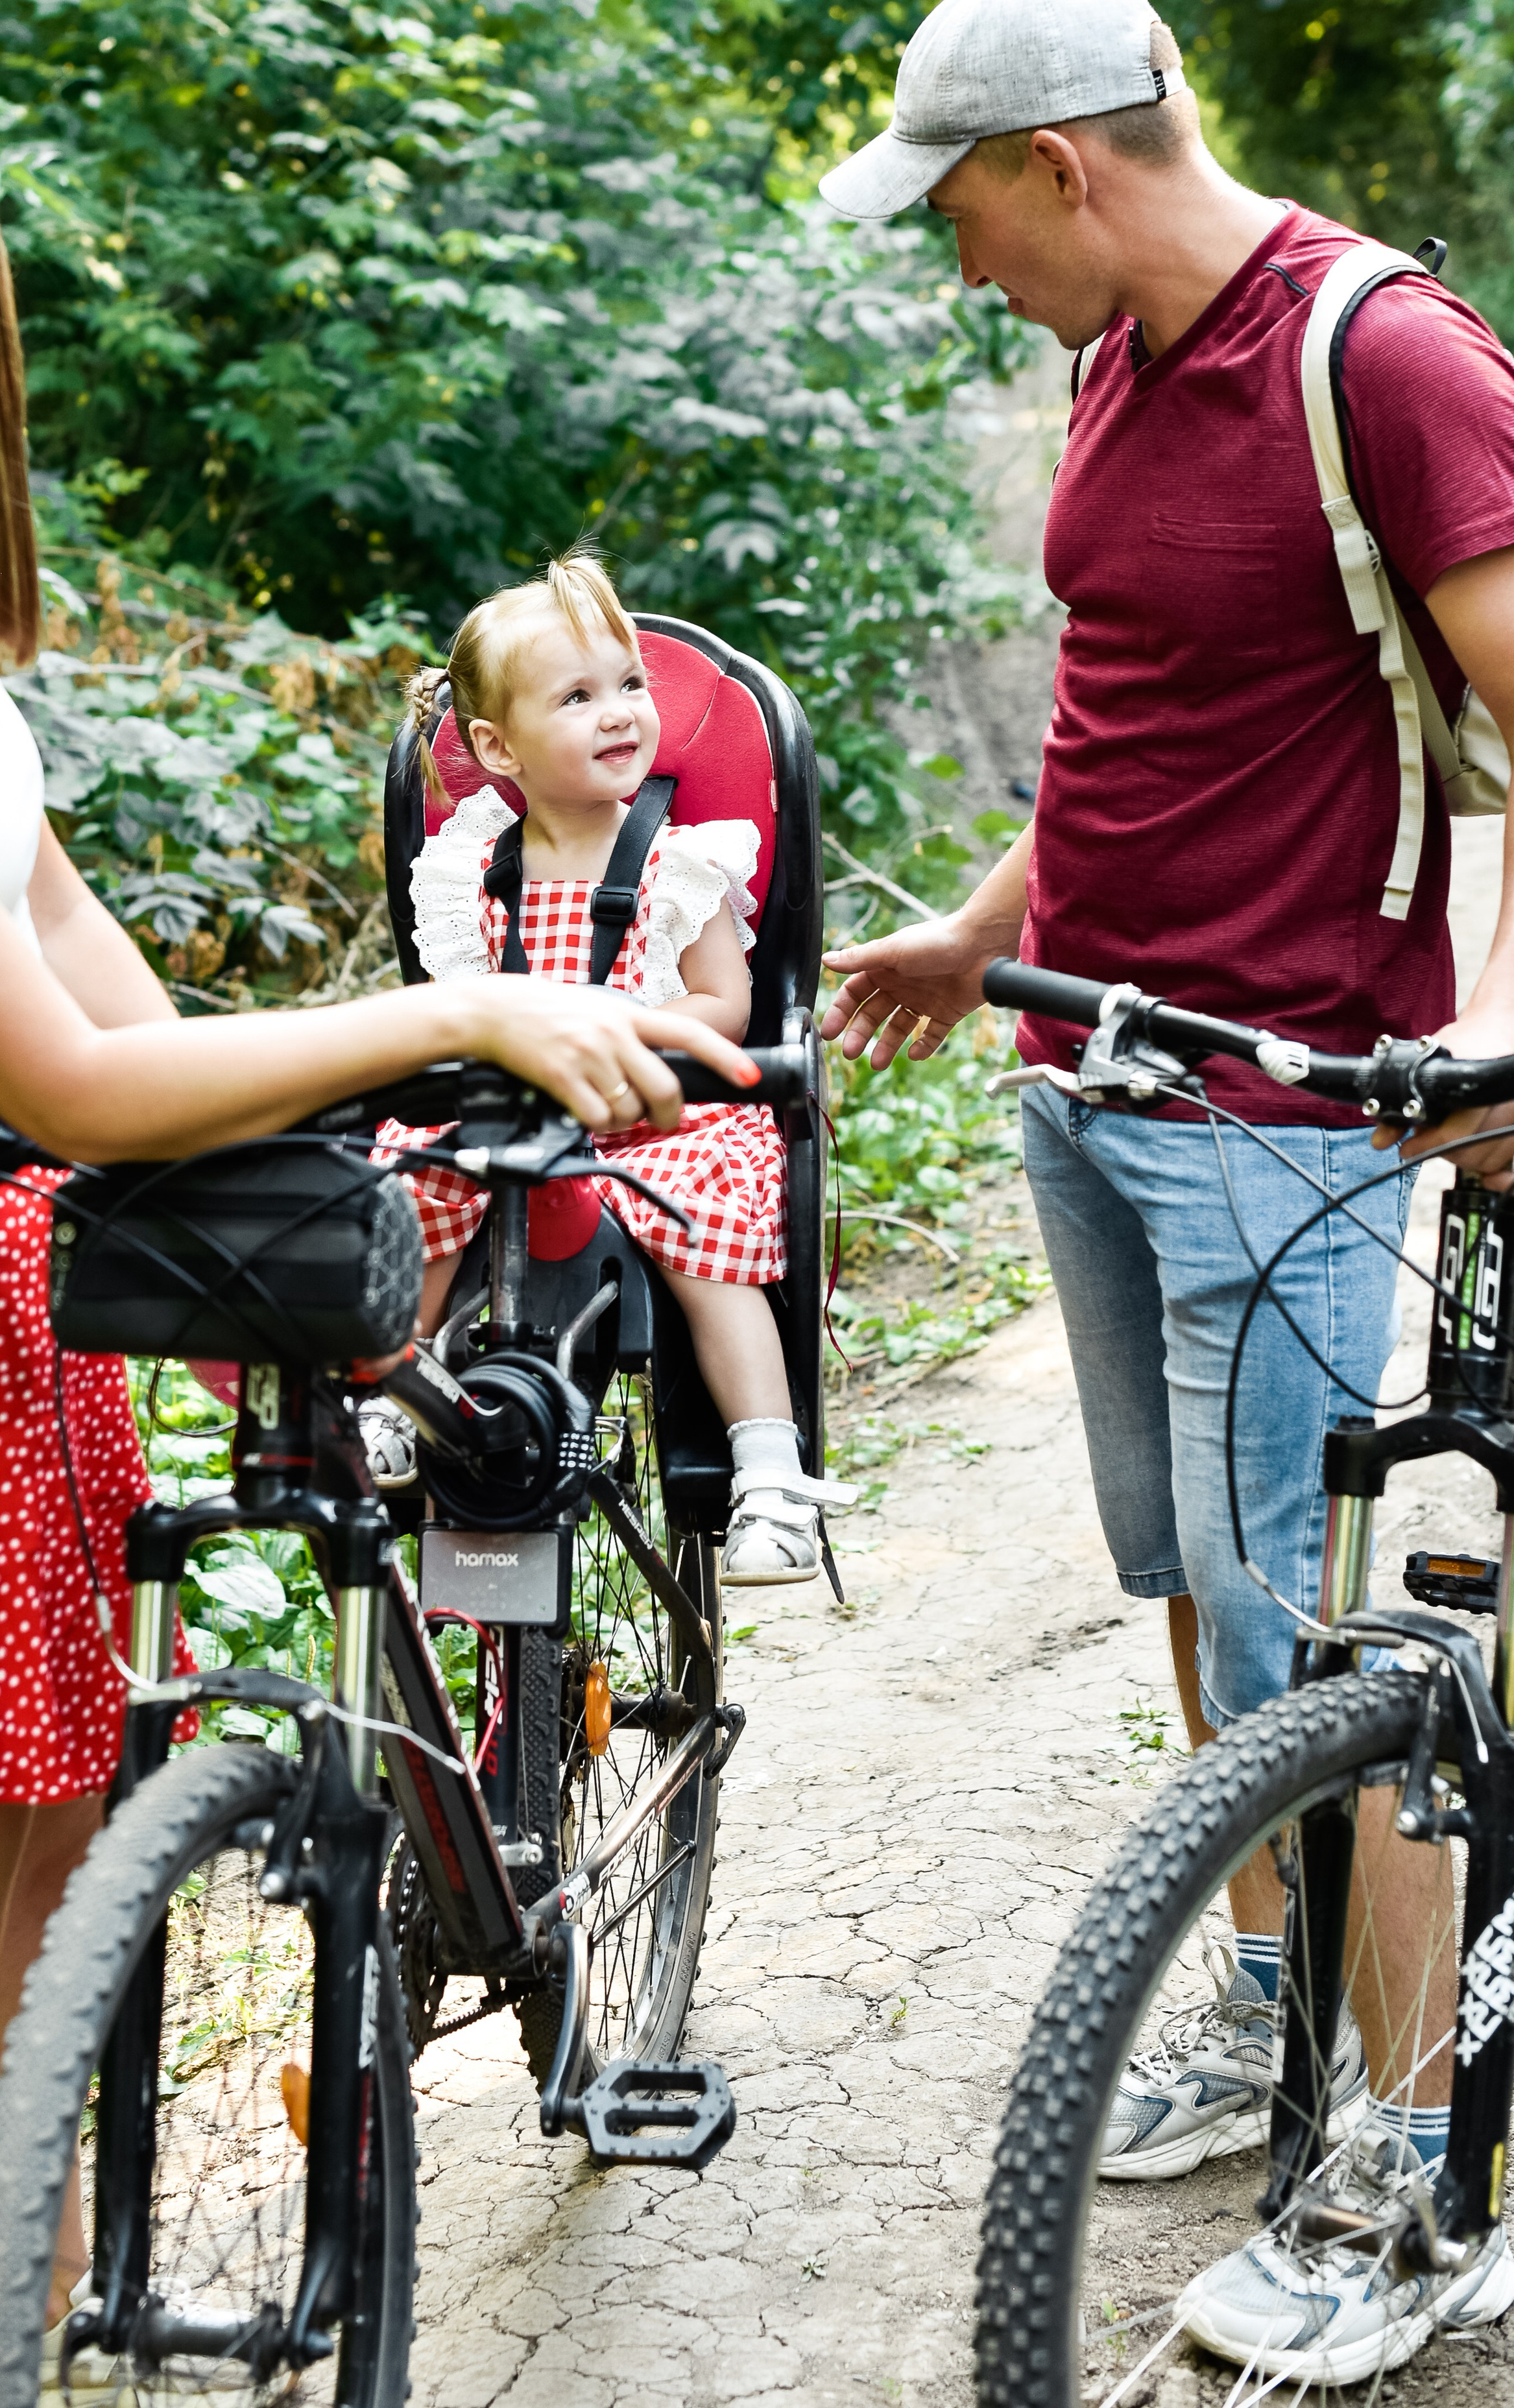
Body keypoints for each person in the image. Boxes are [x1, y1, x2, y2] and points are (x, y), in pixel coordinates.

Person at [0, 87, 753, 2404]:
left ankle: (20, 2357)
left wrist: (467, 1058)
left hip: (9, 1318)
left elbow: (126, 1021)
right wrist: (462, 996)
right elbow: (64, 1085)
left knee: (40, 1937)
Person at [816, 0, 1514, 2370]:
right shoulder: (1122, 345)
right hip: (1086, 1073)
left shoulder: (1384, 359)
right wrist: (986, 928)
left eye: (959, 211)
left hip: (1284, 1115)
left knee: (1329, 1647)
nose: (954, 260)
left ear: (1068, 168)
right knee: (1202, 1601)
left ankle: (1416, 2163)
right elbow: (1158, 702)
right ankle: (1257, 1991)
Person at [368, 549, 850, 1582]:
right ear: (497, 745)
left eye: (629, 684)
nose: (622, 711)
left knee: (702, 1229)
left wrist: (623, 1022)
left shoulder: (682, 858)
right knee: (416, 1178)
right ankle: (392, 1401)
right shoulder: (470, 864)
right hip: (511, 1101)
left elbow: (725, 998)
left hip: (651, 1105)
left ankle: (767, 1468)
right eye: (579, 696)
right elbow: (448, 998)